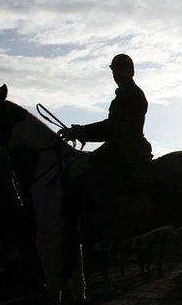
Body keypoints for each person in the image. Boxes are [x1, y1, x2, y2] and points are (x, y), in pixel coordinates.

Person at [58, 54, 153, 234]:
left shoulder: (129, 95)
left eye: (119, 70)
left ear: (130, 71)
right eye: (114, 71)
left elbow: (112, 128)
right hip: (127, 148)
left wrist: (80, 131)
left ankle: (84, 226)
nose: (116, 75)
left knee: (77, 171)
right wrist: (81, 131)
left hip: (122, 151)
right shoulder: (128, 93)